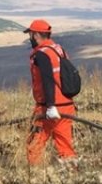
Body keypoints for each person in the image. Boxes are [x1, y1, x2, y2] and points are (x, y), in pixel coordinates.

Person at [23, 19, 77, 165]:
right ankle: (72, 177)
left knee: (34, 144)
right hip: (66, 106)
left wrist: (51, 106)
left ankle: (34, 177)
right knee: (65, 146)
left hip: (48, 109)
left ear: (35, 35)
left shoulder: (41, 54)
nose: (30, 38)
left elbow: (48, 80)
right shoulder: (58, 50)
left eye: (31, 35)